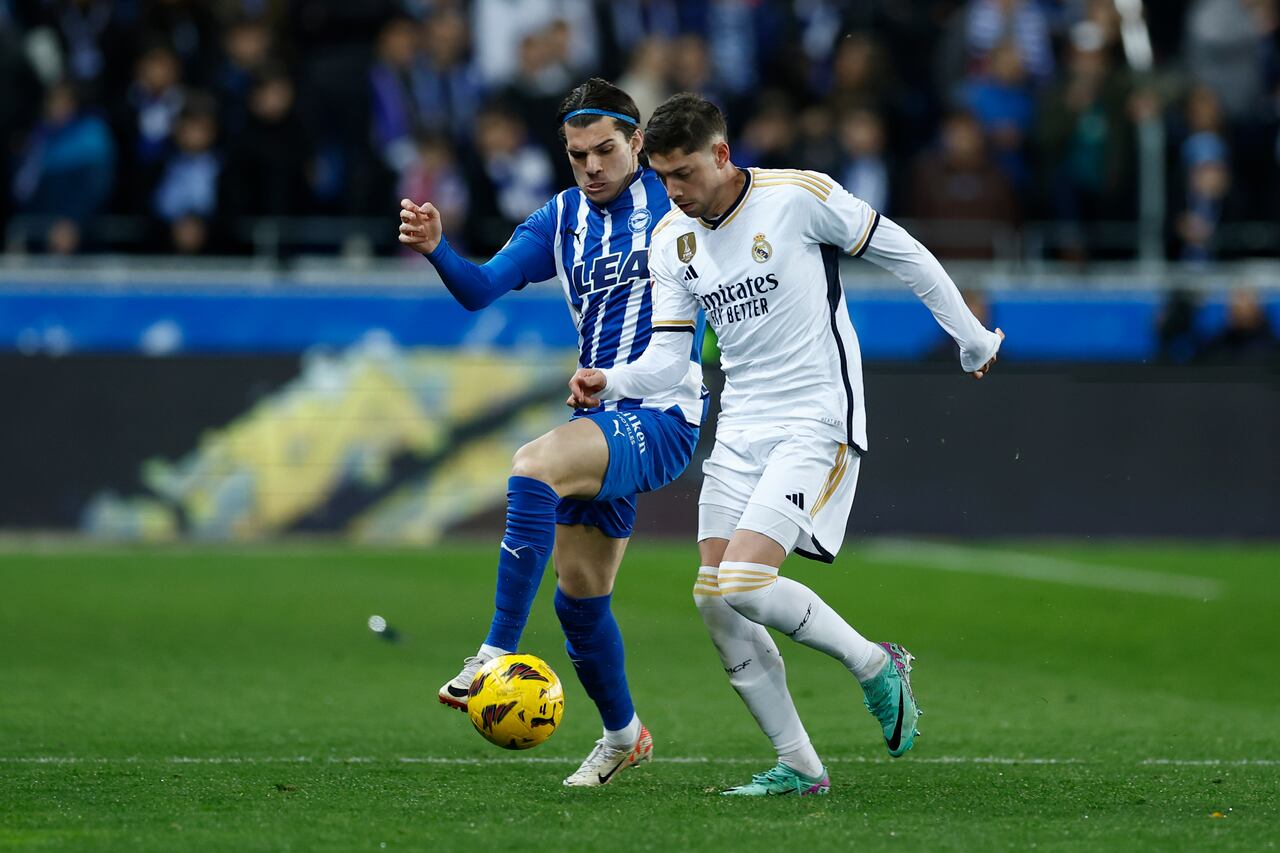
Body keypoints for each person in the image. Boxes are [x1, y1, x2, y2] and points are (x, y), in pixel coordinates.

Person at [569, 93, 1003, 796]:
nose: (672, 191)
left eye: (683, 174)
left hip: (815, 416)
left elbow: (906, 252)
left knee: (744, 581)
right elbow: (671, 358)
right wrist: (609, 379)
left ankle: (875, 663)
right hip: (740, 427)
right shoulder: (671, 240)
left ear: (720, 153)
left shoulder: (797, 198)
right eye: (662, 176)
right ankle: (800, 765)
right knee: (714, 596)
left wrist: (971, 337)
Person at [396, 79, 706, 788]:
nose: (592, 166)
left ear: (636, 143)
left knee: (533, 465)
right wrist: (441, 250)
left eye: (605, 150)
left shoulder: (676, 196)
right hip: (599, 419)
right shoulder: (560, 218)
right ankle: (625, 733)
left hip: (664, 416)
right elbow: (480, 289)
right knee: (579, 597)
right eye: (577, 155)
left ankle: (492, 654)